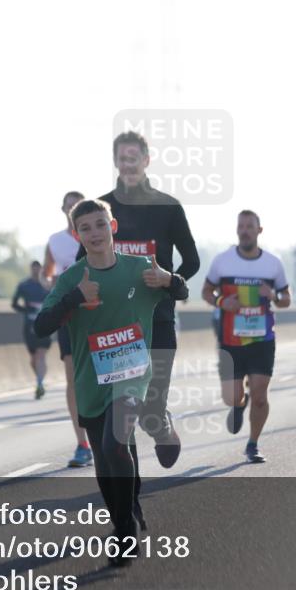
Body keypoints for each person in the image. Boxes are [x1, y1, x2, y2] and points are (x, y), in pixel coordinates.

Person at [34, 199, 188, 566]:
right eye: (85, 228)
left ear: (113, 227)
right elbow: (41, 325)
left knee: (115, 442)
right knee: (106, 459)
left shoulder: (139, 269)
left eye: (100, 225)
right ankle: (125, 513)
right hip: (92, 382)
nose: (94, 233)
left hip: (133, 376)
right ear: (76, 235)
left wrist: (169, 280)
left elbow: (181, 293)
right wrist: (74, 299)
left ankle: (123, 535)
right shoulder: (73, 278)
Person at [84, 131, 200, 469]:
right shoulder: (102, 209)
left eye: (134, 158)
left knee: (149, 408)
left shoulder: (168, 207)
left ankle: (160, 422)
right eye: (122, 159)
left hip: (158, 318)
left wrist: (168, 280)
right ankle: (128, 500)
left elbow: (191, 261)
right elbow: (83, 262)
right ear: (115, 162)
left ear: (146, 160)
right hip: (113, 327)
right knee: (120, 415)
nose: (128, 164)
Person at [202, 210, 290, 463]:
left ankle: (253, 443)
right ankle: (239, 404)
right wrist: (221, 301)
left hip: (262, 340)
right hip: (231, 340)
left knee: (261, 395)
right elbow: (206, 291)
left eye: (250, 226)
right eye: (241, 226)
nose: (244, 230)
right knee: (231, 397)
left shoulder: (273, 263)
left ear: (259, 231)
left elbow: (286, 299)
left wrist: (272, 295)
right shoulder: (222, 261)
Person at [43, 191, 92, 467]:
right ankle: (82, 444)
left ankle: (110, 436)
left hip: (98, 313)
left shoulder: (98, 234)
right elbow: (47, 272)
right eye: (69, 205)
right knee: (73, 377)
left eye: (78, 203)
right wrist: (50, 283)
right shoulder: (56, 241)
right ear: (63, 209)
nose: (73, 208)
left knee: (102, 375)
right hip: (69, 314)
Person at [12, 261, 51, 399]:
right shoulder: (24, 286)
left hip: (45, 324)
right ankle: (40, 380)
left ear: (41, 269)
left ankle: (40, 383)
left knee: (41, 354)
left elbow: (56, 301)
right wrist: (26, 310)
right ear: (31, 269)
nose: (35, 271)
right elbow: (14, 303)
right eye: (33, 269)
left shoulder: (47, 285)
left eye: (37, 269)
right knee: (34, 359)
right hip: (29, 326)